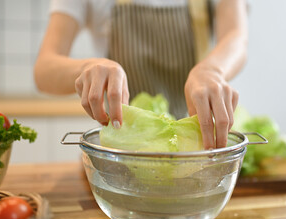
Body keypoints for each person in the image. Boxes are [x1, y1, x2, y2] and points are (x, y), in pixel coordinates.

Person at [34, 0, 248, 149]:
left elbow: (236, 37)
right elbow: (44, 69)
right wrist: (87, 67)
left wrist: (211, 70)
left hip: (198, 153)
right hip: (123, 156)